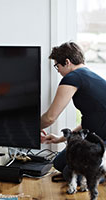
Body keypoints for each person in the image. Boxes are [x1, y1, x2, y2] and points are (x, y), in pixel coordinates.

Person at [41, 41, 106, 182]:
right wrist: (60, 138)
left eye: (57, 66)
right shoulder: (88, 75)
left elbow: (50, 117)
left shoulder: (73, 77)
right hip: (94, 138)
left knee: (70, 175)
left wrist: (30, 129)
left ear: (67, 62)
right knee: (59, 163)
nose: (57, 70)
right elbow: (89, 122)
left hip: (102, 142)